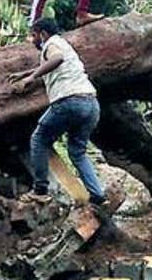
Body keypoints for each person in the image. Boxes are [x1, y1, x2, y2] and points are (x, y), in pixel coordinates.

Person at [8, 17, 107, 206]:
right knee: (77, 152)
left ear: (43, 34)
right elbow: (54, 64)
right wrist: (24, 74)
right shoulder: (63, 44)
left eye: (34, 35)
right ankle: (98, 195)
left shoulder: (51, 43)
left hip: (69, 102)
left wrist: (30, 79)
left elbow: (56, 59)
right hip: (91, 104)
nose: (32, 40)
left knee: (39, 139)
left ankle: (40, 190)